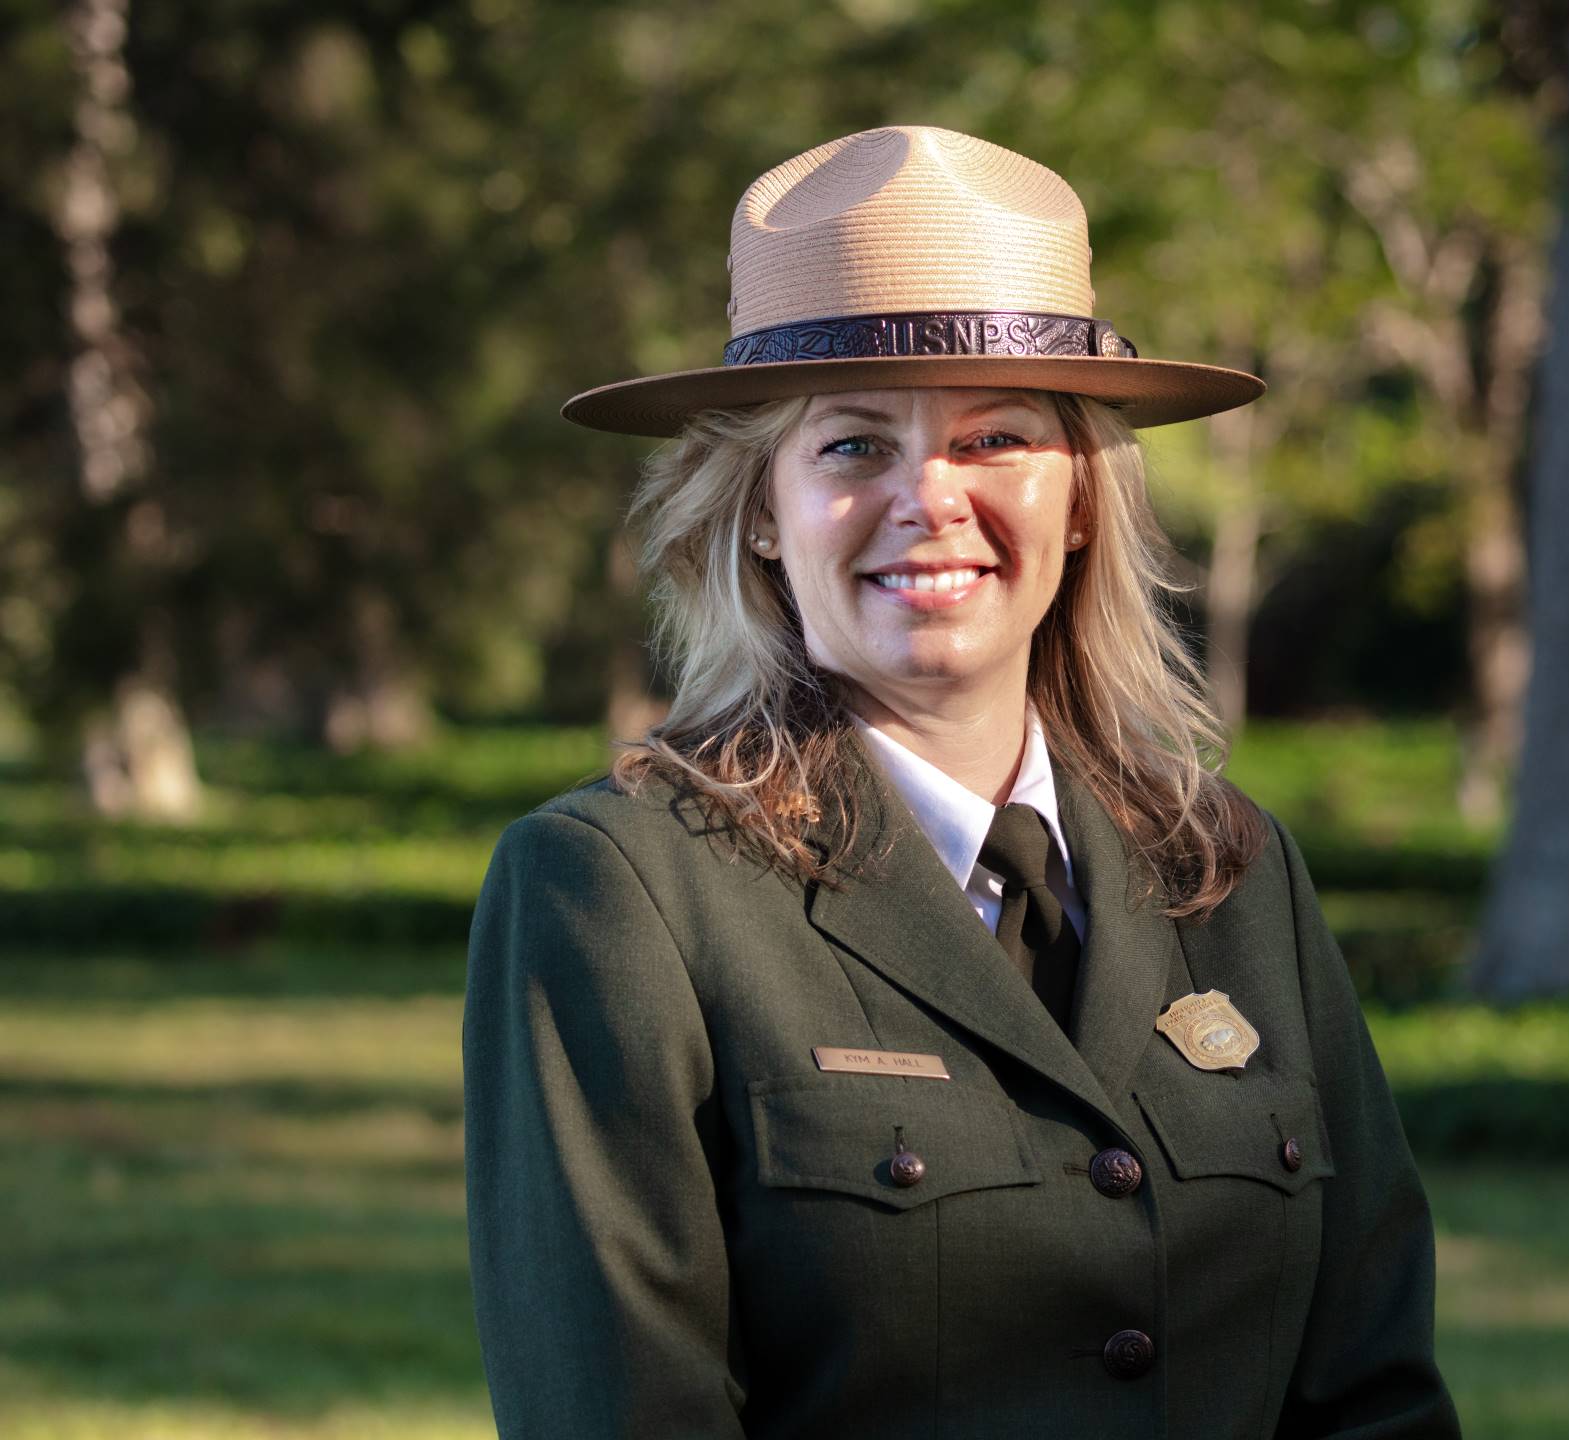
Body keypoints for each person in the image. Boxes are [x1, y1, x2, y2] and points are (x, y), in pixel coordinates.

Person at [463, 124, 1460, 1440]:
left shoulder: (1230, 871)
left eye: (996, 440)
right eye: (855, 448)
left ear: (1082, 498)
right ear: (760, 507)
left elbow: (1372, 1398)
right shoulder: (623, 889)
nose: (930, 498)